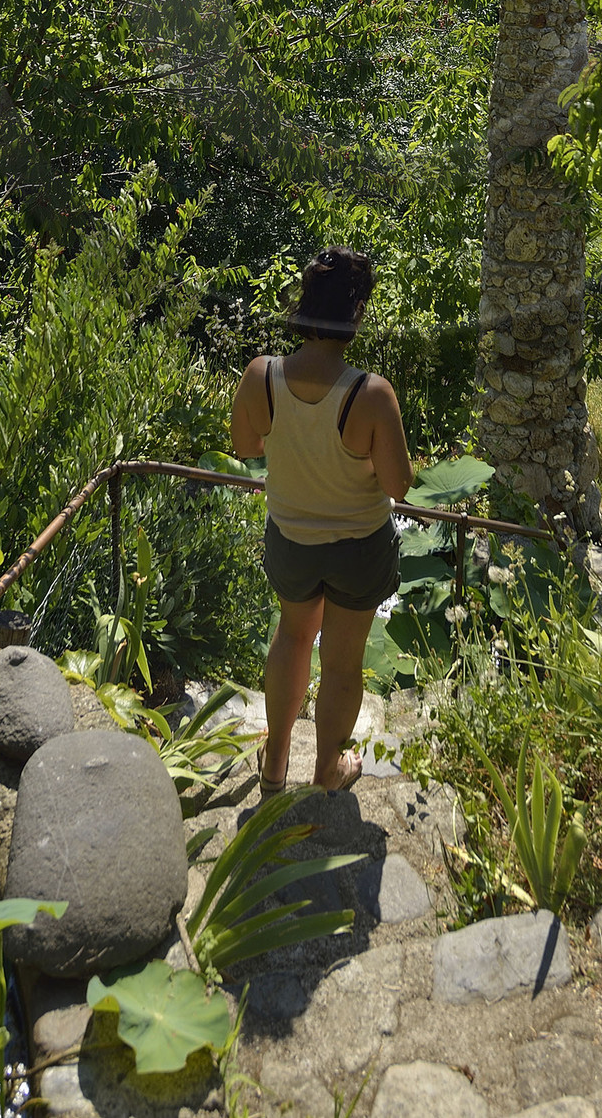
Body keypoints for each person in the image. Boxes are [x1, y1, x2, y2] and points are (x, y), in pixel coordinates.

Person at [230, 246, 412, 795]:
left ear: (305, 306)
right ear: (355, 312)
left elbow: (245, 446)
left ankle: (276, 761)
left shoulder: (262, 376)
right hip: (358, 547)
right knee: (341, 662)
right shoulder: (372, 394)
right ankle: (328, 769)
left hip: (290, 540)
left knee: (291, 636)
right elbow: (398, 485)